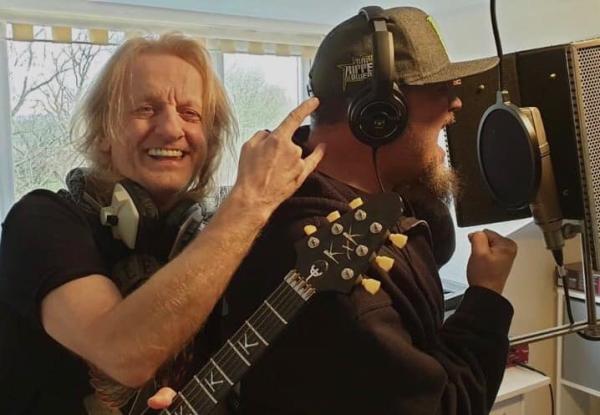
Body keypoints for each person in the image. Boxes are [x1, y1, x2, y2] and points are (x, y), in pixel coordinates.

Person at [212, 6, 517, 414]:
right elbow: (447, 406)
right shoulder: (340, 284)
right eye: (438, 89)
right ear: (379, 114)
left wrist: (420, 176)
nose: (456, 102)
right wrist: (486, 297)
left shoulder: (338, 196)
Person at [0, 33, 324, 414]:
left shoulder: (206, 241)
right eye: (146, 109)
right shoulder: (40, 220)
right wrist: (250, 201)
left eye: (190, 114)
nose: (172, 129)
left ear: (209, 142)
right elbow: (123, 353)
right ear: (103, 134)